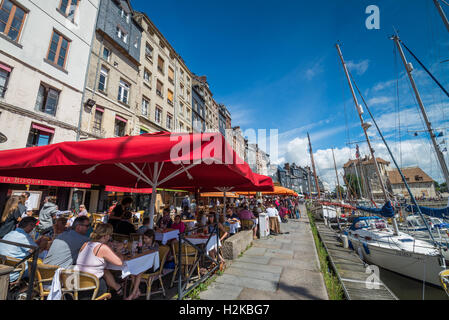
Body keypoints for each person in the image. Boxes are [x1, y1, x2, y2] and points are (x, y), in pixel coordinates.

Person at [75, 223, 124, 299]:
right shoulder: (102, 247)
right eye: (110, 235)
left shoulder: (86, 244)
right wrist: (119, 250)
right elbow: (119, 262)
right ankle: (118, 288)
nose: (110, 237)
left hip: (78, 282)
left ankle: (117, 288)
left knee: (104, 270)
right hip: (93, 285)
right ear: (106, 236)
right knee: (104, 274)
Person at [0, 217, 38, 283]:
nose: (33, 229)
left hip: (4, 268)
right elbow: (36, 251)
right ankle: (26, 290)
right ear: (30, 225)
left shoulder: (10, 234)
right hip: (14, 272)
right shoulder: (24, 237)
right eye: (33, 226)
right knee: (39, 270)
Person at [125, 229, 159, 300]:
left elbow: (153, 254)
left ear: (151, 238)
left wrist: (146, 248)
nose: (144, 240)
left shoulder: (155, 245)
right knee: (132, 271)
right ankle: (137, 291)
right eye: (144, 238)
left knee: (138, 273)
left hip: (151, 266)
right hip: (144, 264)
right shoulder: (144, 244)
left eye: (146, 238)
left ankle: (133, 294)